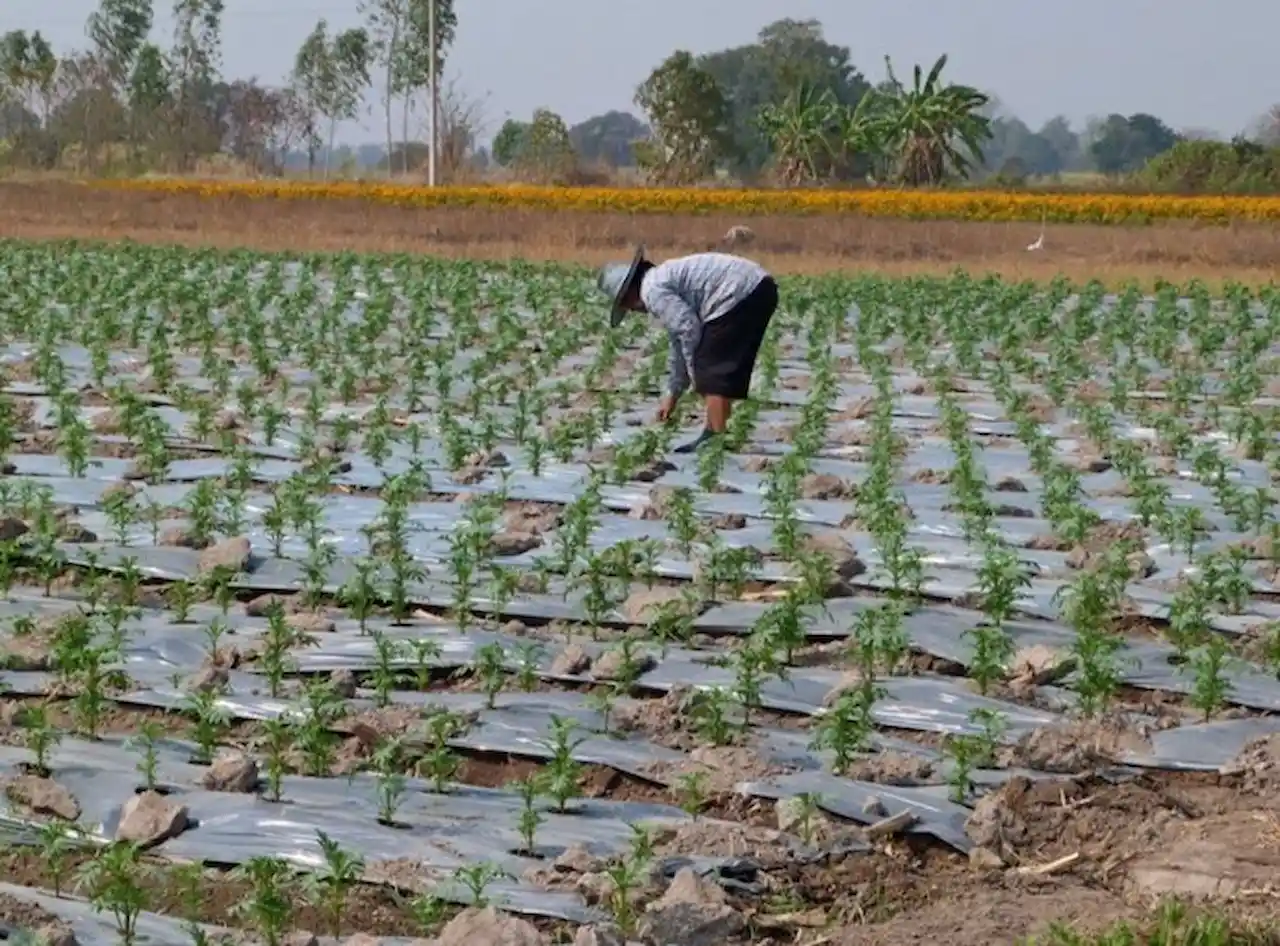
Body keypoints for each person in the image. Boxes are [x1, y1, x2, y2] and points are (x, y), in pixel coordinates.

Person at [597, 246, 779, 451]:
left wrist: (696, 374)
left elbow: (688, 328)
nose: (633, 310)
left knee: (711, 369)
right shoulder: (659, 282)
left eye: (627, 305)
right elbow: (679, 341)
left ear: (629, 294)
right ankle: (714, 433)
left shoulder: (652, 291)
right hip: (755, 288)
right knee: (714, 367)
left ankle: (715, 439)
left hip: (740, 292)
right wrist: (672, 396)